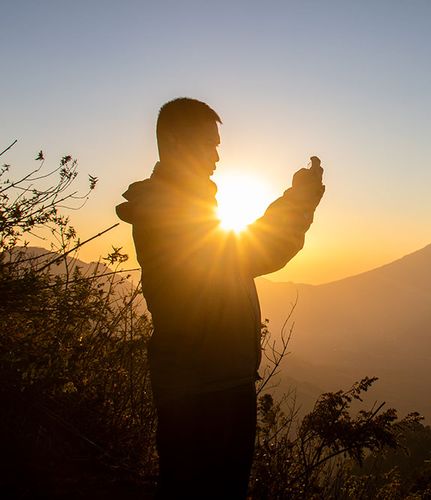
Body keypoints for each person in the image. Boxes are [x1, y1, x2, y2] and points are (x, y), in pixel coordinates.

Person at [115, 97, 324, 499]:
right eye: (208, 144)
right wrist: (300, 199)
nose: (216, 155)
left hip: (211, 380)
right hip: (205, 388)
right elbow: (252, 252)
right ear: (176, 142)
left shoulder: (181, 205)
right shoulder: (169, 211)